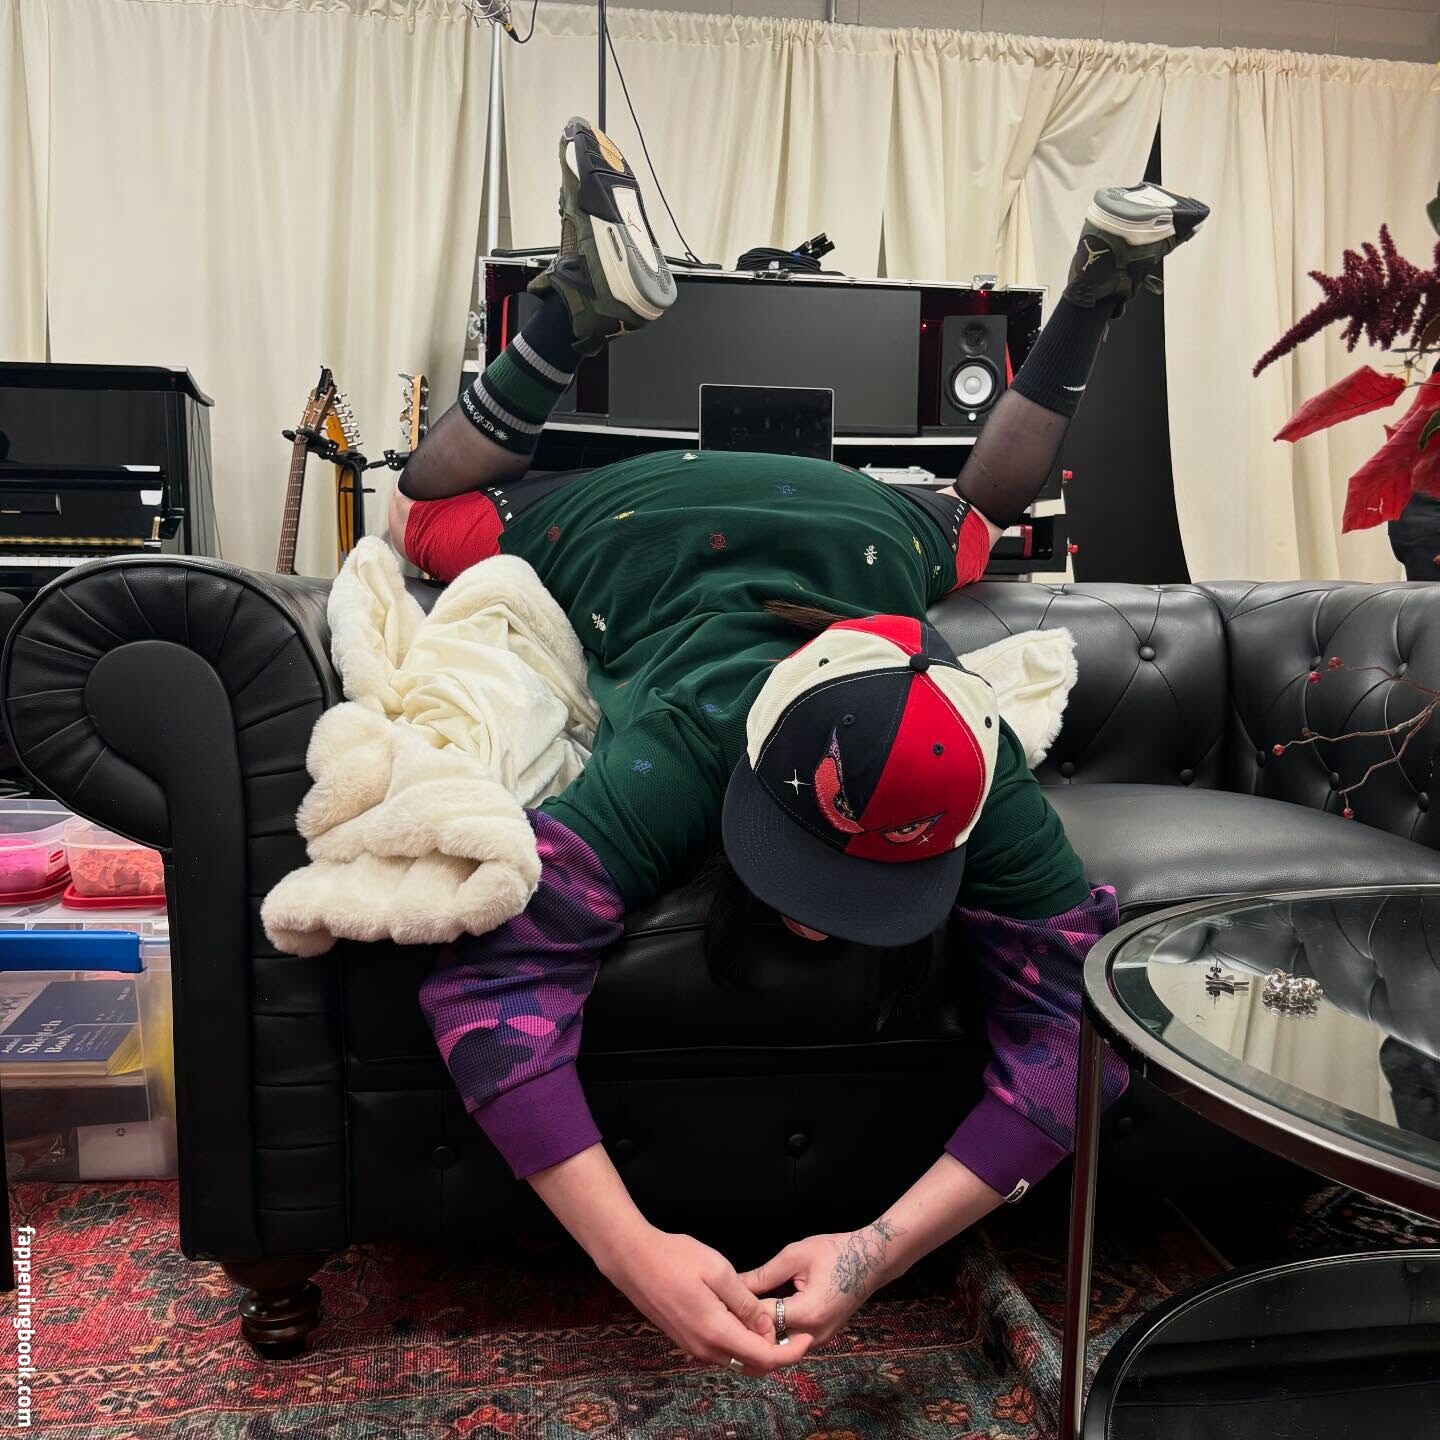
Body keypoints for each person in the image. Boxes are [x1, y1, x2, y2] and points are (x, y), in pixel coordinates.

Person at [390, 117, 1208, 1375]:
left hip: (854, 518)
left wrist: (879, 1248)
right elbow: (491, 979)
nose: (822, 928)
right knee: (424, 512)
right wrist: (630, 1253)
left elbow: (1084, 1029)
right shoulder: (692, 736)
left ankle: (577, 314)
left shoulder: (972, 763)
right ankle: (1089, 297)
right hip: (645, 515)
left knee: (973, 518)